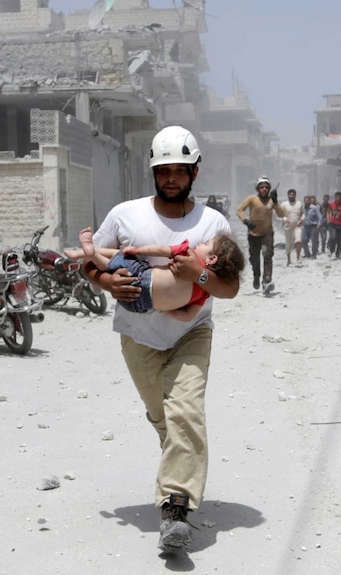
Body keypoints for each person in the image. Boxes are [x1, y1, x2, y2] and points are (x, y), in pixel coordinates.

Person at [83, 125, 240, 552]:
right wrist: (106, 283)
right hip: (138, 336)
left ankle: (175, 508)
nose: (172, 178)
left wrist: (198, 274)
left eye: (180, 170)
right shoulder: (124, 215)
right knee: (163, 417)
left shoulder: (213, 222)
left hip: (193, 331)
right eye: (164, 170)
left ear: (195, 171)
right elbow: (88, 265)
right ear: (153, 171)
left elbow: (229, 288)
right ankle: (174, 446)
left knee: (186, 412)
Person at [66, 227, 243, 322]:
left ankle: (90, 252)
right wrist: (166, 308)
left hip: (142, 278)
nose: (200, 245)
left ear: (212, 258)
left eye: (205, 243)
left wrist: (137, 249)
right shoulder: (204, 292)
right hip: (142, 305)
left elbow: (161, 250)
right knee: (119, 264)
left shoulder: (189, 255)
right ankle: (89, 254)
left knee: (121, 258)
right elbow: (187, 316)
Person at [235, 175, 286, 293]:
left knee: (267, 255)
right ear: (257, 189)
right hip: (253, 234)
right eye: (262, 187)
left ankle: (267, 280)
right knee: (255, 259)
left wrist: (276, 202)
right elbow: (239, 210)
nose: (264, 189)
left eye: (266, 187)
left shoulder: (271, 201)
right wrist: (246, 221)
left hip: (267, 234)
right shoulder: (252, 199)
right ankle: (256, 275)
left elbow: (281, 214)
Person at [279, 188, 304, 266]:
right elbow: (279, 214)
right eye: (290, 194)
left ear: (295, 195)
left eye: (293, 194)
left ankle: (298, 257)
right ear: (288, 195)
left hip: (297, 226)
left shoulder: (299, 204)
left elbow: (303, 213)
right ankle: (289, 260)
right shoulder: (284, 204)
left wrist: (302, 218)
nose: (291, 196)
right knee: (289, 244)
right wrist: (284, 219)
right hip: (288, 227)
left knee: (298, 241)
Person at [327, 191, 341, 258]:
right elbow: (328, 212)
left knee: (340, 240)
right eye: (337, 197)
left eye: (339, 197)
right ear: (335, 197)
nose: (338, 198)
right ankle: (332, 250)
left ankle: (338, 254)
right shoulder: (331, 204)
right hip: (333, 224)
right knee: (333, 237)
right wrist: (328, 219)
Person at [301, 195, 323, 259]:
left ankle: (314, 254)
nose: (306, 202)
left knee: (314, 241)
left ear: (310, 201)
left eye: (308, 200)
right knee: (303, 240)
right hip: (305, 226)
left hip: (313, 226)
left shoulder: (314, 208)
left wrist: (319, 224)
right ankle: (307, 253)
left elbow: (320, 216)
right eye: (305, 200)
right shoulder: (303, 208)